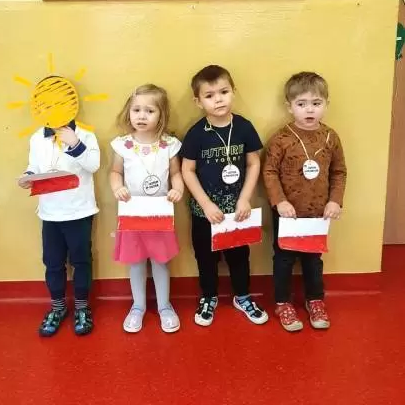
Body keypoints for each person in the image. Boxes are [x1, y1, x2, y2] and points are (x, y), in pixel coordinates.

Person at [180, 65, 268, 327]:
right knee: (206, 258)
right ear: (198, 101)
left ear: (233, 92)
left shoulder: (244, 127)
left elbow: (253, 163)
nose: (218, 99)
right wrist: (206, 204)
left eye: (223, 92)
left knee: (239, 257)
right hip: (205, 214)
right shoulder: (196, 133)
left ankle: (242, 296)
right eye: (209, 95)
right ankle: (208, 297)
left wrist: (245, 198)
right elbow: (187, 170)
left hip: (237, 212)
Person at [263, 72, 347, 332]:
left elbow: (339, 172)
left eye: (316, 103)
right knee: (284, 259)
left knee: (313, 260)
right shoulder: (281, 138)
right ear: (290, 106)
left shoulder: (331, 138)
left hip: (318, 213)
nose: (309, 109)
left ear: (326, 104)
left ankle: (315, 300)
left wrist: (335, 201)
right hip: (287, 213)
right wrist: (279, 202)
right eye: (302, 104)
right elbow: (269, 172)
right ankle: (282, 303)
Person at [18, 105, 100, 337]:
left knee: (81, 261)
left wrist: (75, 143)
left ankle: (82, 307)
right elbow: (34, 166)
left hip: (79, 211)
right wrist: (28, 177)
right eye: (46, 105)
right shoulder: (37, 137)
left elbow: (93, 165)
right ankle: (58, 307)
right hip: (49, 213)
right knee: (52, 262)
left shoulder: (85, 134)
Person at [109, 84, 184, 333]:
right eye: (136, 110)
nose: (142, 116)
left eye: (149, 111)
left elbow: (176, 173)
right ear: (128, 112)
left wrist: (178, 189)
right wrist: (117, 187)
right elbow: (115, 172)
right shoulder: (122, 145)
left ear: (161, 114)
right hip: (132, 215)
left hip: (160, 215)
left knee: (161, 262)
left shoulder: (169, 145)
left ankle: (164, 306)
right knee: (136, 262)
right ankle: (138, 306)